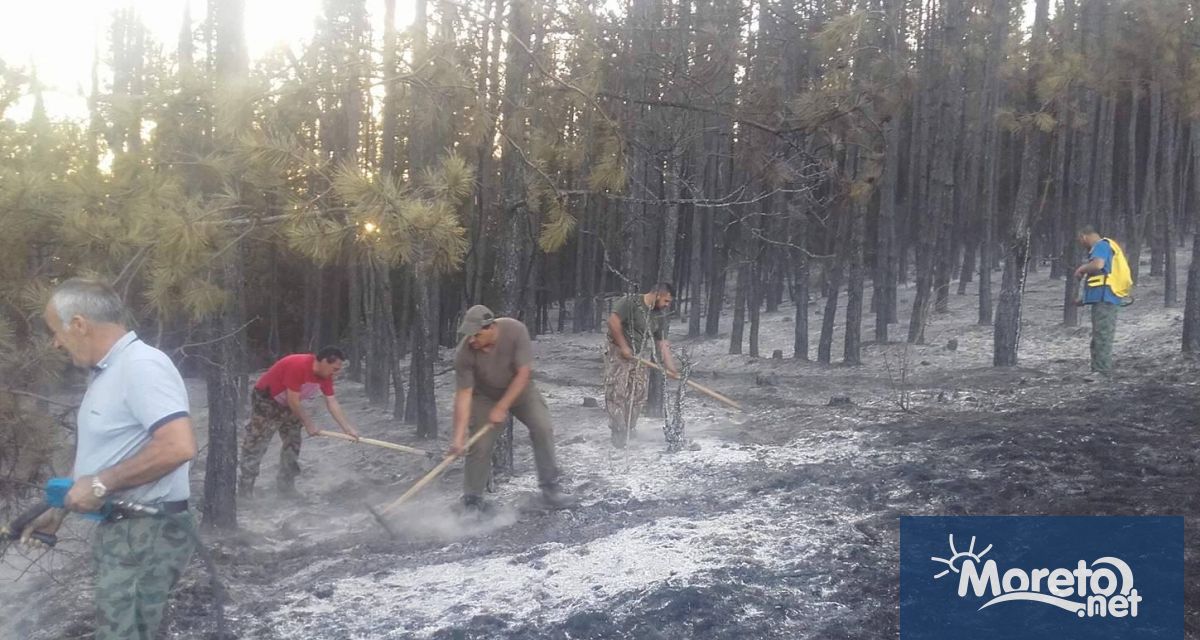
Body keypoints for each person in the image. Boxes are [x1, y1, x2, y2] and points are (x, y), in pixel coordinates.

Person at [22, 278, 197, 640]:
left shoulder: (142, 366)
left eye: (56, 331)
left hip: (147, 532)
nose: (55, 342)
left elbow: (178, 446)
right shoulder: (109, 372)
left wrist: (102, 484)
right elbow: (103, 454)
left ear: (79, 324)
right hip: (126, 530)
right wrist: (58, 512)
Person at [450, 305, 573, 512]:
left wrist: (503, 407)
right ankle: (472, 502)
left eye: (477, 335)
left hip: (522, 390)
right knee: (480, 444)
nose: (472, 340)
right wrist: (458, 437)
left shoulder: (516, 331)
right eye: (469, 335)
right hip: (485, 396)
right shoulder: (465, 353)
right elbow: (463, 396)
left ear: (491, 328)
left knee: (542, 427)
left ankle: (550, 489)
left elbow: (523, 373)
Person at [238, 347, 359, 498]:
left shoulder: (326, 375)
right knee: (257, 442)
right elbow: (293, 401)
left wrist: (347, 429)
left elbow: (331, 401)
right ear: (323, 361)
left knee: (293, 443)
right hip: (267, 399)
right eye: (334, 368)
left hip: (290, 403)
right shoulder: (298, 365)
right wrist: (308, 424)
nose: (336, 373)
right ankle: (245, 490)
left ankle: (286, 487)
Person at [603, 283, 679, 448]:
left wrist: (670, 366)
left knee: (638, 394)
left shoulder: (659, 315)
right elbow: (613, 322)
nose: (667, 305)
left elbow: (662, 342)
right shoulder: (631, 302)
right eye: (666, 301)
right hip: (618, 352)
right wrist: (623, 346)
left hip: (640, 355)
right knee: (617, 392)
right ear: (658, 294)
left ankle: (629, 428)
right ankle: (618, 432)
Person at [1074, 225, 1133, 374]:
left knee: (1102, 336)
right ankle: (1098, 371)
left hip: (1106, 297)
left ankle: (1101, 373)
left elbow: (1098, 264)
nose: (1081, 244)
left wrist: (1082, 269)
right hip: (1105, 297)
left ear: (1083, 237)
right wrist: (1084, 299)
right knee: (1100, 336)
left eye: (1080, 240)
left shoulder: (1101, 245)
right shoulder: (1107, 246)